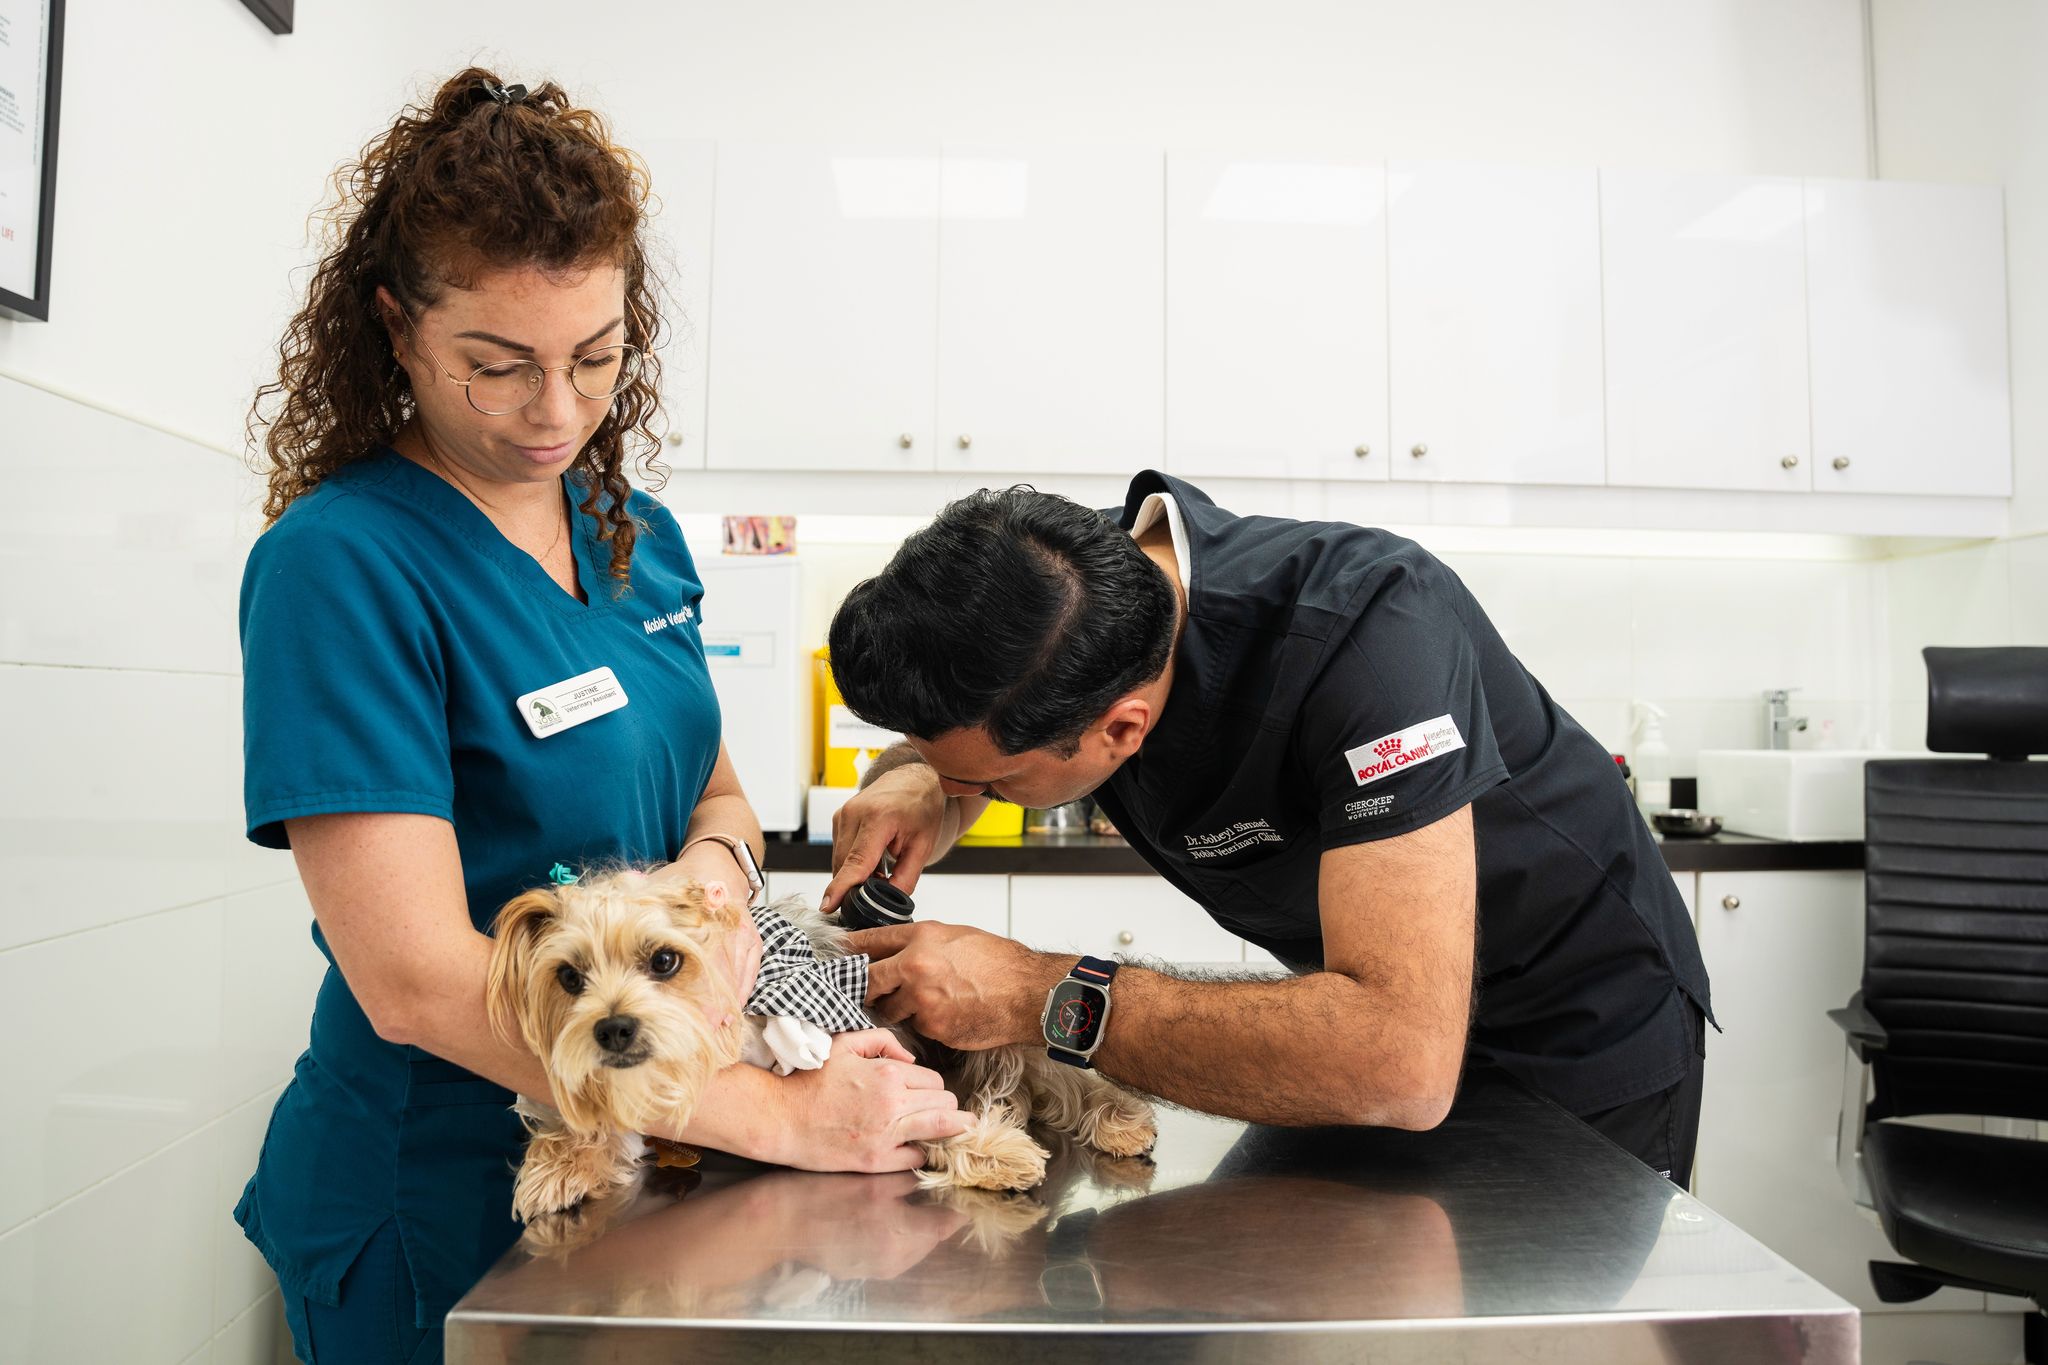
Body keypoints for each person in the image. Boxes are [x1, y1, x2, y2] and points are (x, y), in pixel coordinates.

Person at [236, 69, 968, 1365]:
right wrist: (783, 1119)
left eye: (596, 356)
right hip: (448, 1195)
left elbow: (720, 797)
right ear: (397, 327)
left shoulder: (637, 539)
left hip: (652, 1175)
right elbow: (410, 981)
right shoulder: (340, 565)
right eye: (498, 366)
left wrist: (714, 881)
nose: (559, 412)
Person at [822, 471, 1713, 1183]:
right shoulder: (1061, 593)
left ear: (1120, 727)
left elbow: (1398, 1058)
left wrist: (1036, 990)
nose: (967, 790)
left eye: (987, 782)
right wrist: (920, 779)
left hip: (1571, 1024)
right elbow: (985, 716)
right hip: (1350, 1022)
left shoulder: (1371, 629)